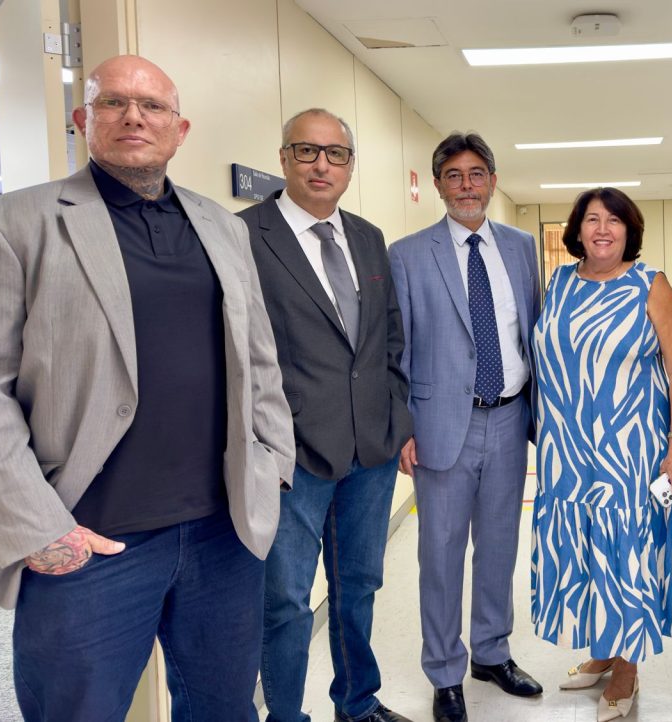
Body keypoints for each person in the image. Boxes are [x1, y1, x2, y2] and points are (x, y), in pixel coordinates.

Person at [0, 55, 295, 720]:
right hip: (90, 540)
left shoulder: (222, 227)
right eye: (114, 102)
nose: (134, 116)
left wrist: (272, 464)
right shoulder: (18, 223)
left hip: (223, 536)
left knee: (224, 710)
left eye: (153, 105)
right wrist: (38, 527)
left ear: (179, 129)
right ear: (84, 119)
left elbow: (259, 359)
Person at [237, 109, 413, 722]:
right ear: (284, 158)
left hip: (371, 450)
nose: (322, 165)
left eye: (336, 154)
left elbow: (388, 338)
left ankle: (357, 703)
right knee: (285, 599)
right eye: (307, 151)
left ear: (350, 165)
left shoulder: (367, 236)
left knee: (358, 586)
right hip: (289, 455)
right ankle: (285, 714)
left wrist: (396, 421)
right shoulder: (243, 235)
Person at [388, 132, 542, 722]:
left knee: (499, 546)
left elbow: (532, 330)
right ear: (438, 185)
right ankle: (445, 672)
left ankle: (492, 653)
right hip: (440, 425)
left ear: (493, 181)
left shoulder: (521, 247)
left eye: (477, 174)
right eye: (453, 176)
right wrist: (403, 426)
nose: (467, 186)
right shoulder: (408, 254)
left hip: (510, 417)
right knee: (441, 553)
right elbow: (396, 349)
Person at [531, 187, 672, 721]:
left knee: (624, 555)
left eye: (614, 221)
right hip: (565, 452)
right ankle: (603, 649)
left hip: (628, 451)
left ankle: (627, 669)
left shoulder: (651, 285)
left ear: (630, 230)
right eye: (592, 220)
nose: (603, 229)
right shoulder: (558, 282)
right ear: (577, 231)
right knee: (585, 552)